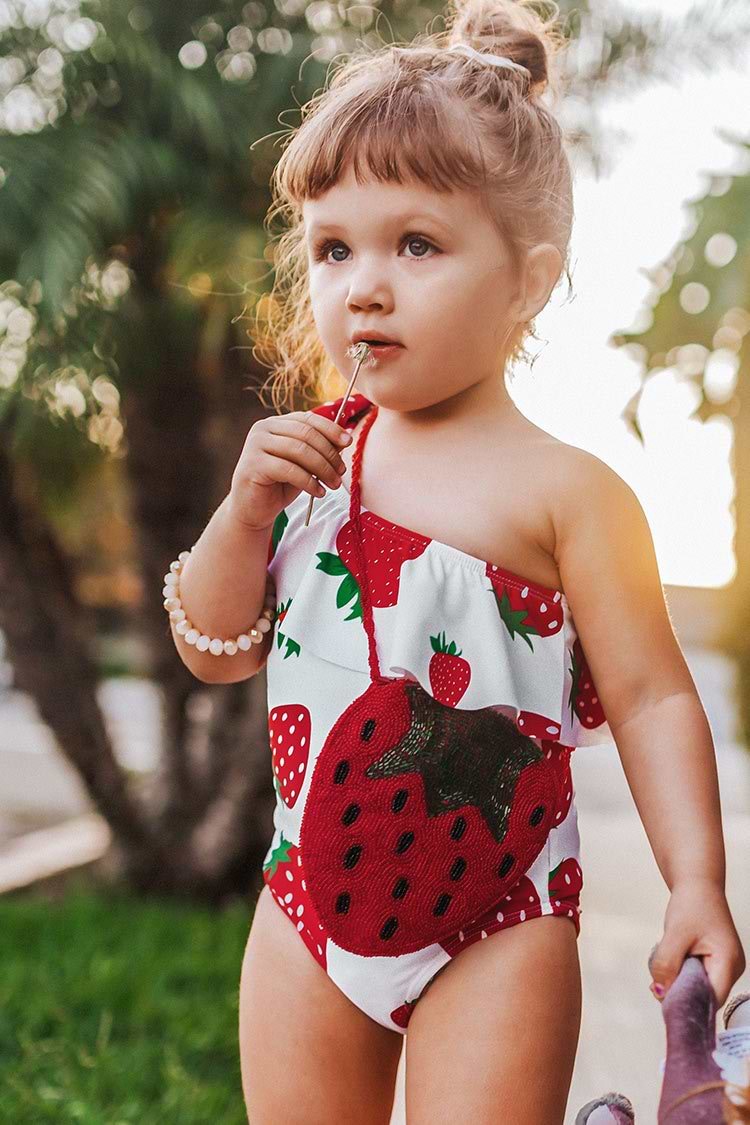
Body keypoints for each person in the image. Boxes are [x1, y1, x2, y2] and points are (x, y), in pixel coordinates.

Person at [165, 0, 746, 1120]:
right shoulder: (316, 459)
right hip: (306, 901)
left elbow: (654, 696)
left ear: (527, 280)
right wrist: (242, 514)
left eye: (415, 244)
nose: (363, 285)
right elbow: (213, 649)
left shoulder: (572, 494)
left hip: (503, 920)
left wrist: (697, 884)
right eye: (334, 249)